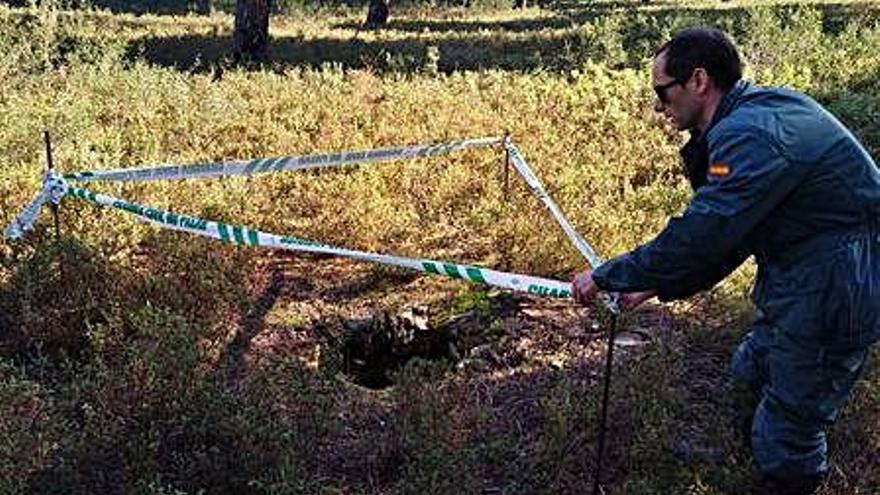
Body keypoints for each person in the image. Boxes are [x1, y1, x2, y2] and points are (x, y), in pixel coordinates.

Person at [571, 27, 880, 495]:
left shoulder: (750, 134)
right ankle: (753, 456)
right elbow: (733, 234)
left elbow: (705, 232)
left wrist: (609, 274)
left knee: (790, 428)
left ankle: (783, 473)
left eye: (661, 91)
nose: (658, 105)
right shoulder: (750, 113)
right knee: (750, 370)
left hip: (838, 284)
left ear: (698, 81)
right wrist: (658, 284)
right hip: (807, 277)